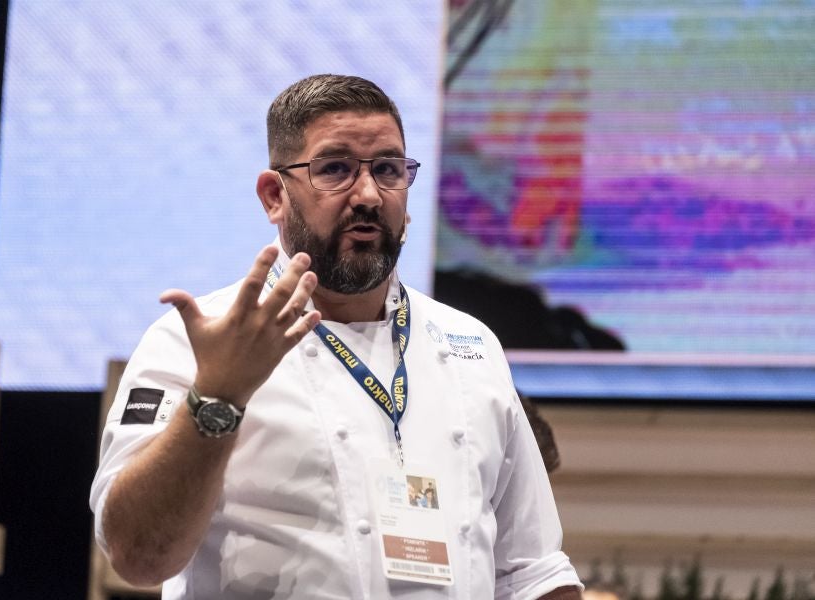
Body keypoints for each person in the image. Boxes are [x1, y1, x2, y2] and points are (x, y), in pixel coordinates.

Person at [90, 74, 583, 599]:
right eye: (336, 169)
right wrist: (217, 398)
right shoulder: (197, 340)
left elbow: (533, 573)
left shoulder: (471, 345)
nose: (369, 194)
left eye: (389, 170)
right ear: (274, 196)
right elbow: (138, 556)